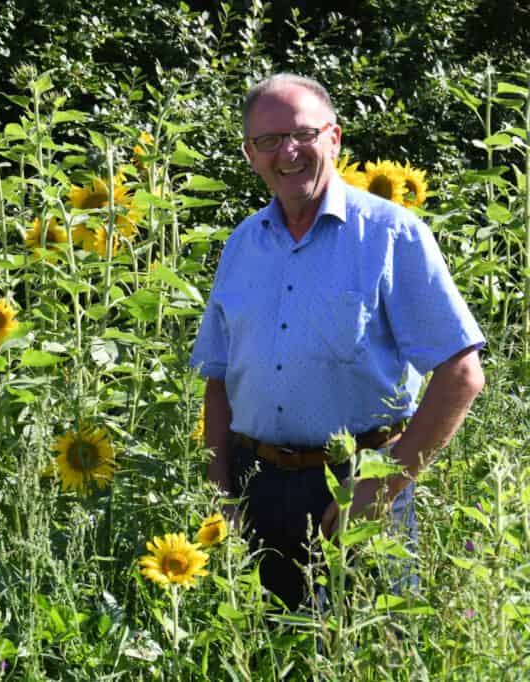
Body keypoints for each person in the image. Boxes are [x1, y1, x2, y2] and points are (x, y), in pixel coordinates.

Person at [190, 74, 485, 610]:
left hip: (359, 488)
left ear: (335, 138)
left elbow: (462, 374)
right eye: (269, 140)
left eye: (303, 133)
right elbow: (219, 377)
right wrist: (220, 492)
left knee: (364, 654)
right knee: (264, 654)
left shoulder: (391, 234)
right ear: (250, 155)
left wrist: (381, 489)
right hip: (255, 490)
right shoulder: (242, 245)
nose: (289, 152)